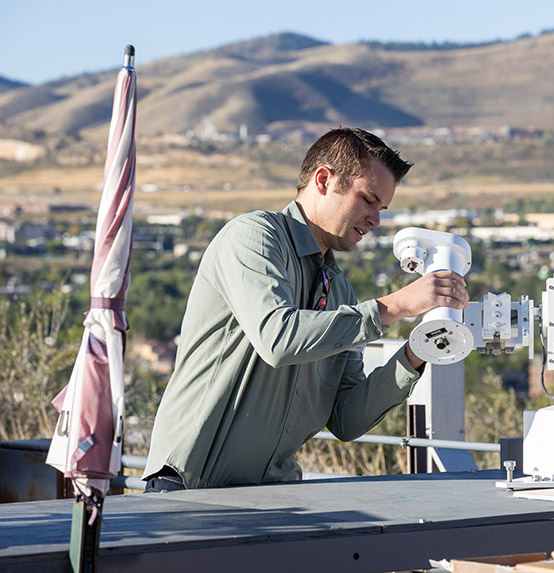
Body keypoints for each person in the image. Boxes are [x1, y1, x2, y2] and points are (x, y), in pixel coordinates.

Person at [143, 127, 469, 491]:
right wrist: (395, 306)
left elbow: (346, 419)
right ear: (324, 180)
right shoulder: (252, 237)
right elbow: (277, 338)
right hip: (190, 486)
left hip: (275, 493)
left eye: (382, 208)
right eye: (368, 200)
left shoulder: (341, 291)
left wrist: (416, 352)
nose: (376, 220)